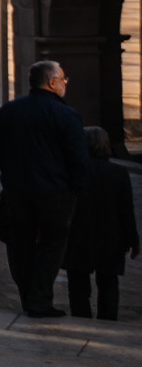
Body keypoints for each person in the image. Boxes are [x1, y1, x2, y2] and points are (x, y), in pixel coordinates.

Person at [0, 59, 89, 318]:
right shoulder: (67, 115)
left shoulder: (9, 111)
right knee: (52, 245)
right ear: (52, 82)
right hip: (55, 192)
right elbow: (78, 158)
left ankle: (28, 297)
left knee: (20, 244)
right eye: (63, 79)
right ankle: (40, 300)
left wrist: (10, 175)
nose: (65, 84)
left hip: (17, 190)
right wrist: (77, 189)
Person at [67, 127, 140, 321]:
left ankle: (81, 319)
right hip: (111, 236)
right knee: (108, 283)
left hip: (79, 234)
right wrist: (134, 240)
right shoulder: (119, 173)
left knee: (78, 284)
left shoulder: (75, 171)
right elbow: (126, 210)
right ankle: (108, 320)